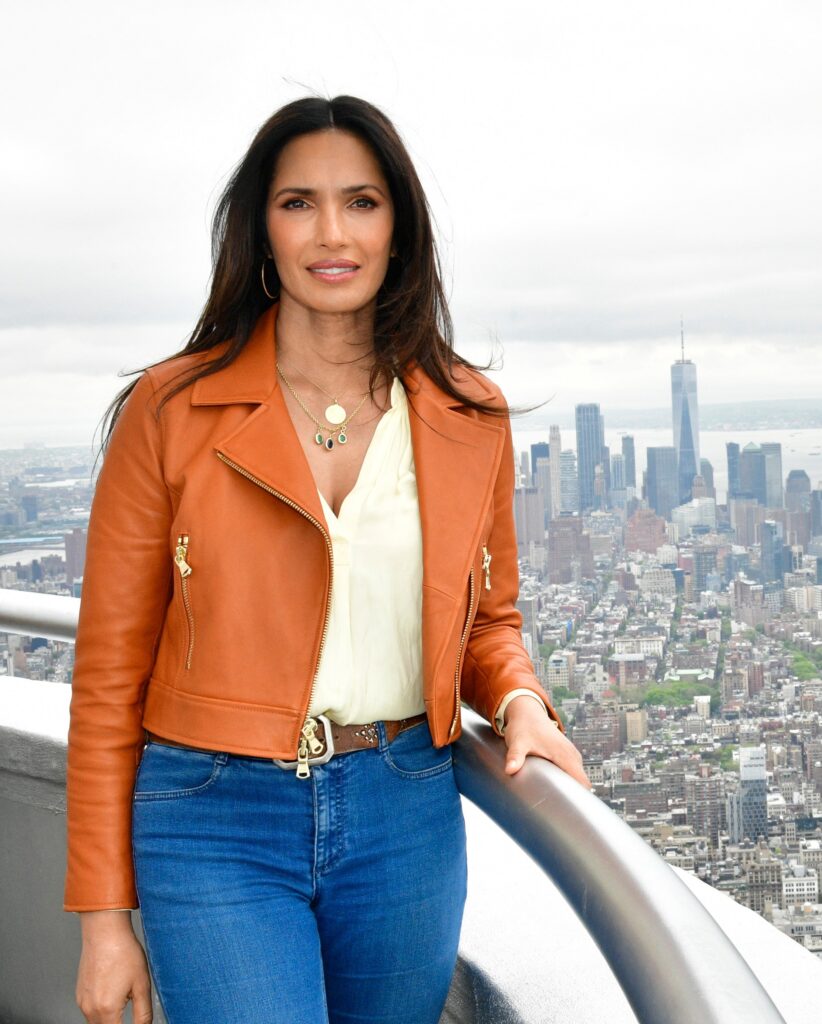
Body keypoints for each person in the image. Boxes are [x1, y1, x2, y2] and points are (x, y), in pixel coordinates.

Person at [65, 93, 592, 1024]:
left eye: (362, 201)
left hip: (404, 809)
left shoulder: (469, 415)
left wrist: (515, 698)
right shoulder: (169, 410)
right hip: (214, 810)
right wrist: (105, 922)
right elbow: (109, 673)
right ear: (260, 230)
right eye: (298, 202)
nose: (331, 232)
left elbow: (486, 617)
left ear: (401, 228)